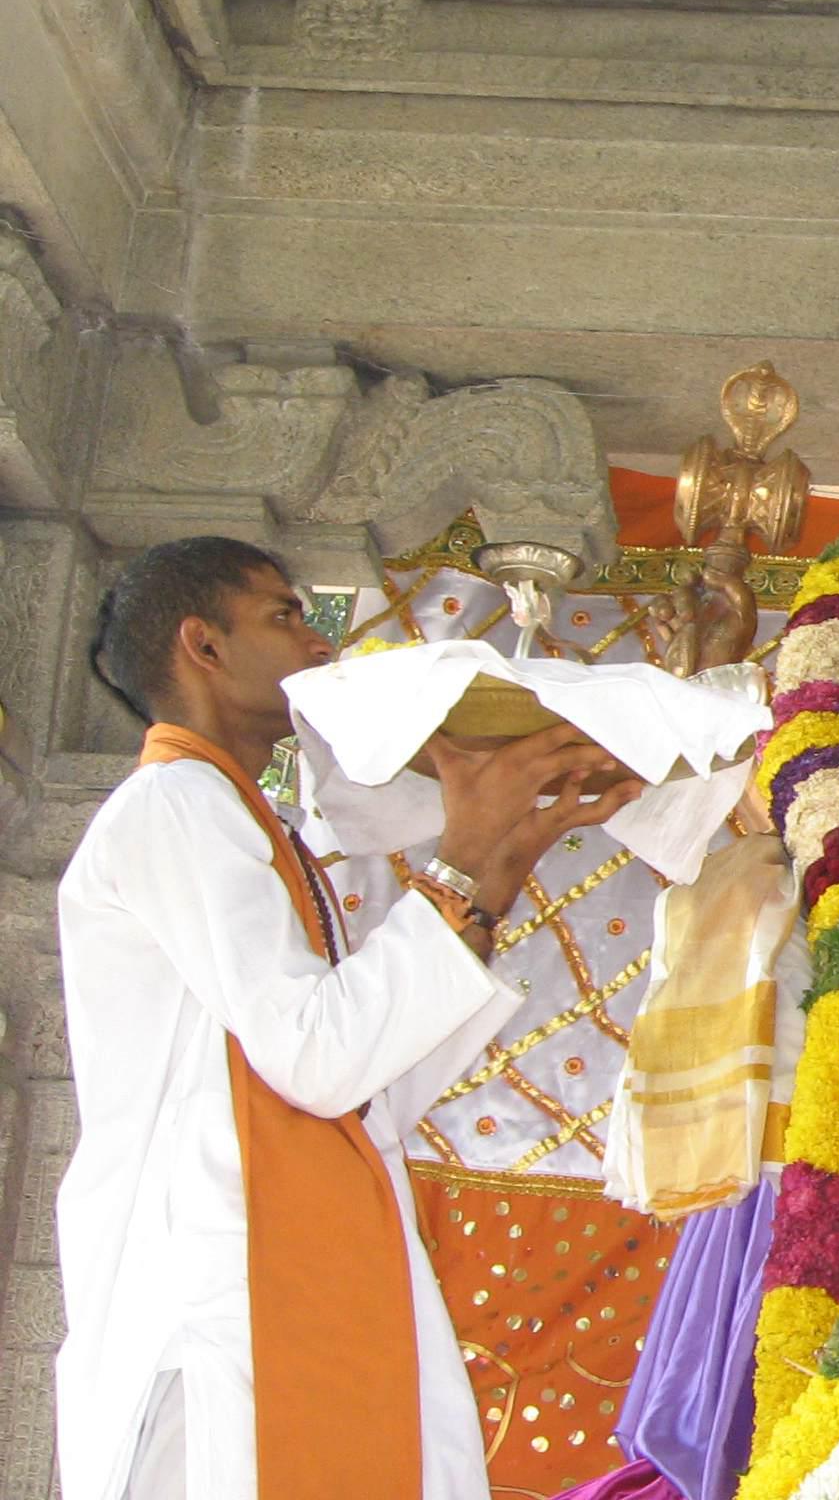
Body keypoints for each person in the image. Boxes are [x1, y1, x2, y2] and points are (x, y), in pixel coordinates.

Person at [55, 537, 645, 1500]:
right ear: (203, 646)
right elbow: (319, 1060)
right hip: (219, 1299)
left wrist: (505, 859)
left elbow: (370, 1091)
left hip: (276, 1280)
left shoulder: (251, 823)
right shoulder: (173, 803)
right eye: (284, 616)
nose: (320, 643)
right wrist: (462, 852)